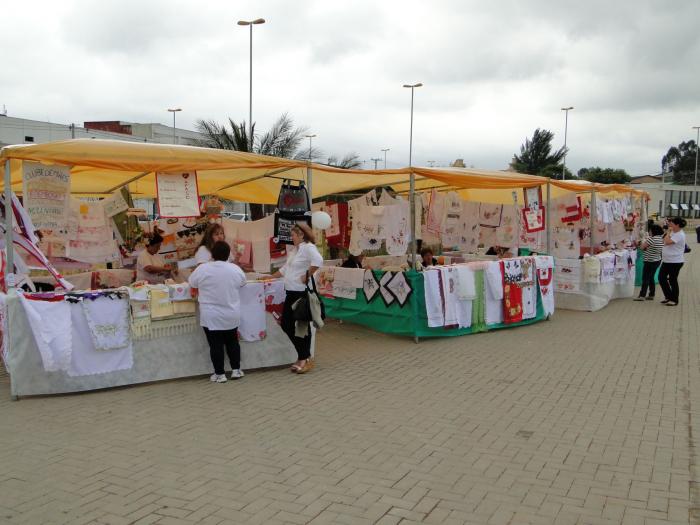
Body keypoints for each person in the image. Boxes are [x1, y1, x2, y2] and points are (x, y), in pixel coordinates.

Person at [188, 241, 247, 383]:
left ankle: (219, 374)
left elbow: (192, 282)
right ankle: (236, 370)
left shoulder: (203, 269)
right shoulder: (235, 269)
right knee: (233, 341)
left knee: (215, 344)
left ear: (212, 254)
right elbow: (243, 283)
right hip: (231, 313)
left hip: (211, 314)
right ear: (228, 254)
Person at [270, 223, 322, 374]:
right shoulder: (296, 250)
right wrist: (270, 277)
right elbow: (285, 269)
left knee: (301, 327)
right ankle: (304, 356)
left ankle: (304, 358)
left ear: (301, 235)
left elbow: (318, 261)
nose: (291, 238)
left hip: (300, 293)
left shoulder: (307, 247)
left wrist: (306, 276)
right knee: (287, 324)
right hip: (291, 292)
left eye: (293, 235)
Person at [658, 217, 687, 306]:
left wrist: (669, 232)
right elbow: (663, 239)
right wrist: (668, 232)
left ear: (677, 225)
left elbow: (667, 241)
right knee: (661, 278)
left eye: (672, 223)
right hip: (667, 260)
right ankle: (668, 296)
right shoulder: (673, 232)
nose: (670, 224)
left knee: (672, 280)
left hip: (675, 261)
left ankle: (674, 299)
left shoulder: (680, 234)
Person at [634, 223, 664, 301]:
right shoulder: (661, 238)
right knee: (651, 278)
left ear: (653, 231)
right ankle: (651, 294)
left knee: (645, 278)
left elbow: (641, 247)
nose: (649, 232)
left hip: (649, 261)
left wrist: (640, 243)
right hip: (657, 260)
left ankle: (642, 295)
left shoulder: (652, 239)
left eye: (650, 230)